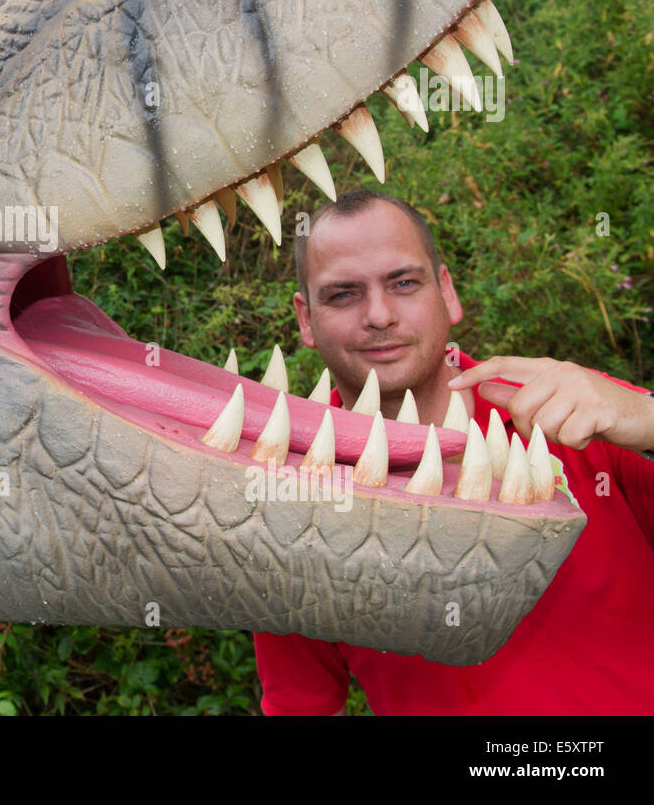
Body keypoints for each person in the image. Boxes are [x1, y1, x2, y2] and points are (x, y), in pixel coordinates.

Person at [253, 189, 654, 716]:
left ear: (447, 290)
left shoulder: (574, 411)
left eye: (403, 283)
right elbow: (299, 705)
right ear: (306, 319)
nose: (378, 315)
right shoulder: (289, 486)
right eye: (343, 294)